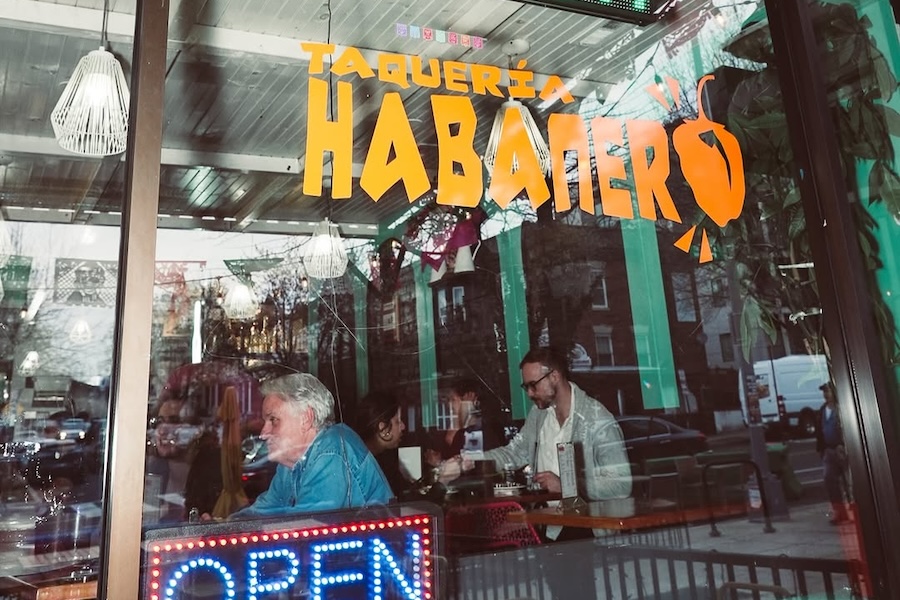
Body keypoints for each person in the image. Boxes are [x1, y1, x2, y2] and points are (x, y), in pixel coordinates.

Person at [481, 346, 631, 508]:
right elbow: (514, 453)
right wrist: (469, 461)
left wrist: (566, 487)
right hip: (548, 521)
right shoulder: (539, 414)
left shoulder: (596, 418)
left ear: (554, 376)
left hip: (585, 524)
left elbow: (620, 485)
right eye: (526, 387)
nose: (530, 394)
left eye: (533, 385)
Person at [228, 373, 392, 519]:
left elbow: (305, 524)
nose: (263, 433)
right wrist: (220, 526)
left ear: (306, 418)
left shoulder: (332, 450)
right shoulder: (291, 463)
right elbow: (262, 512)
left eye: (273, 420)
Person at [349, 390, 413, 498]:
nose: (403, 426)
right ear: (382, 428)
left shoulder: (385, 457)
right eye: (397, 421)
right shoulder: (375, 467)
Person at [815, 381, 850, 524]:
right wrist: (821, 449)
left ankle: (855, 509)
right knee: (830, 480)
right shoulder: (823, 409)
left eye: (828, 391)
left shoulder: (841, 408)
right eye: (824, 392)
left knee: (849, 482)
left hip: (842, 449)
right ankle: (839, 512)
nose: (825, 394)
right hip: (828, 450)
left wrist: (843, 444)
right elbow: (820, 431)